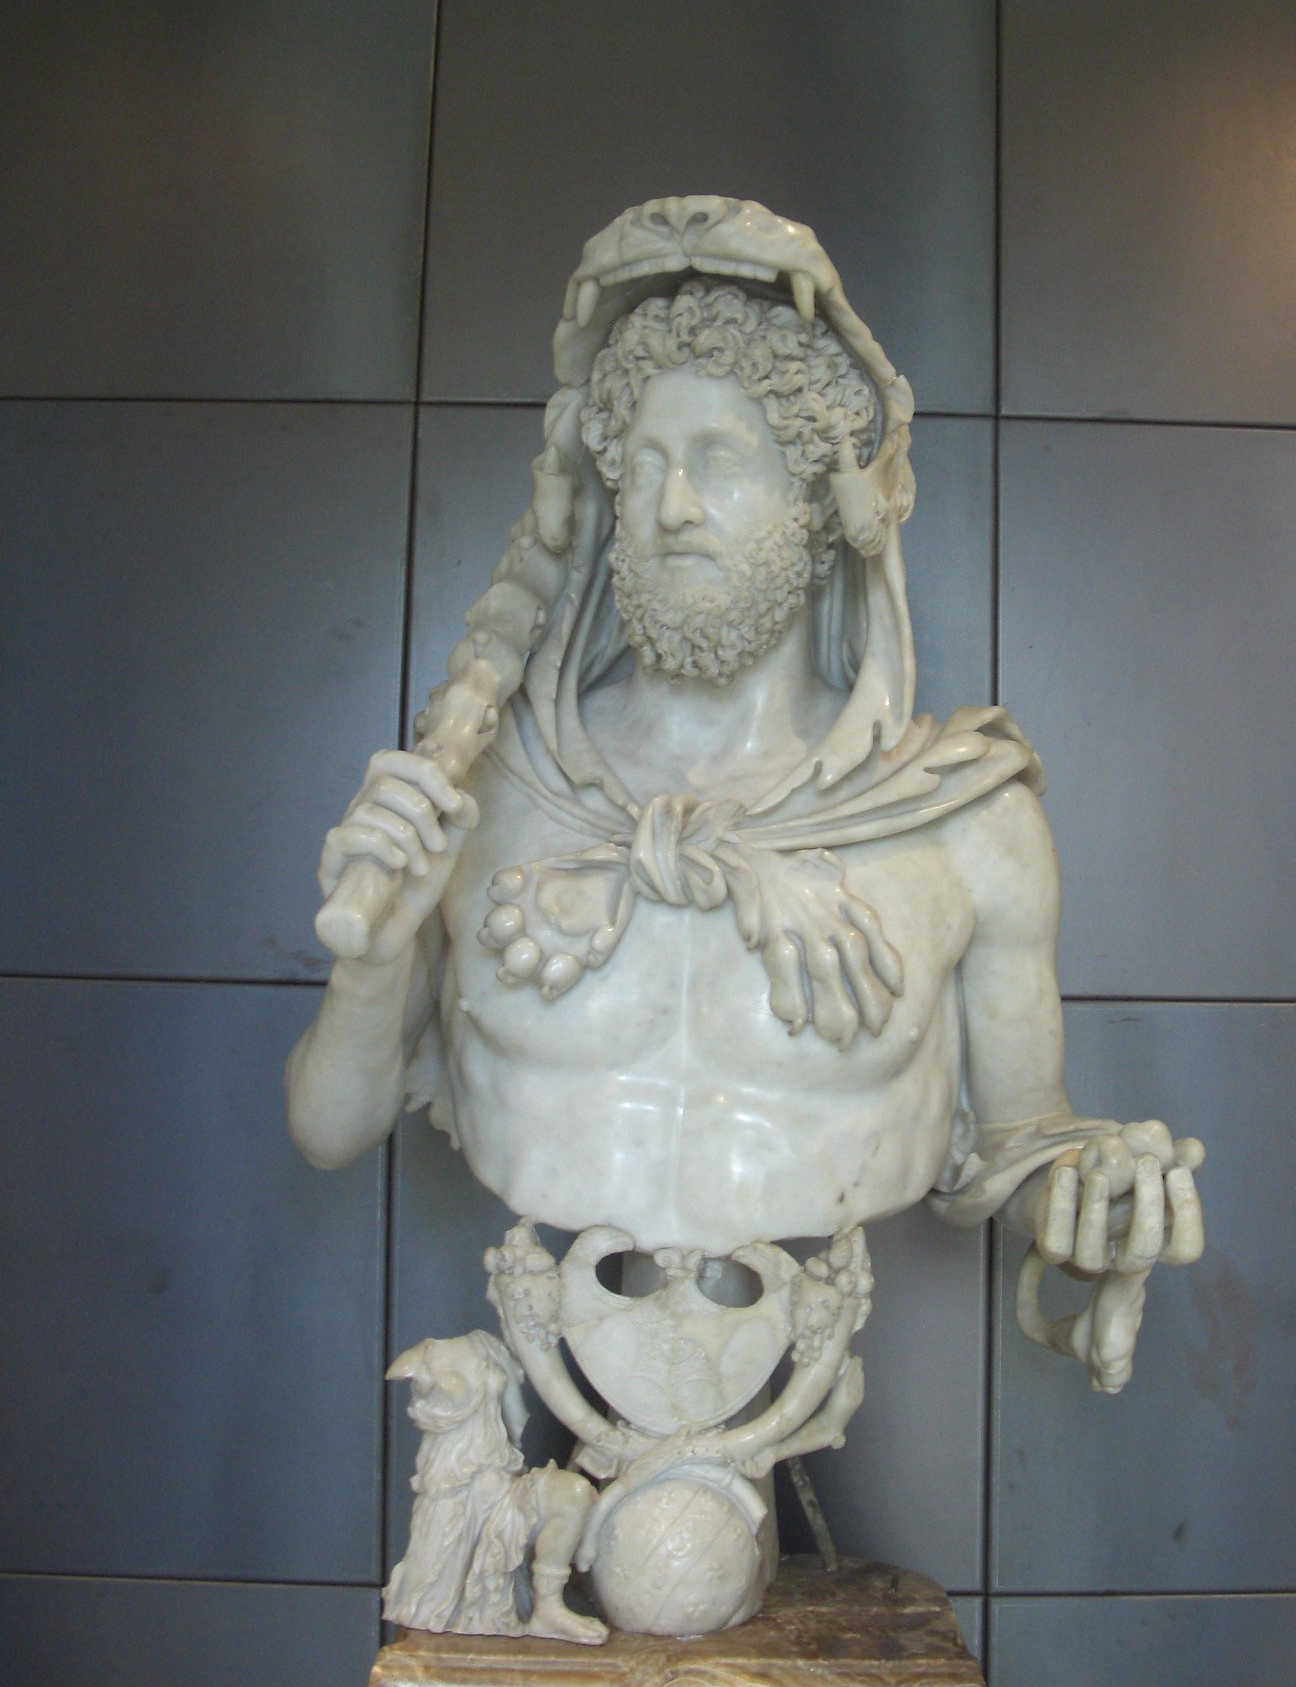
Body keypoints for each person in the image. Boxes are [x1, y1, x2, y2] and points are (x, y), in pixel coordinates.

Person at [286, 197, 1202, 1395]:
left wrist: (1092, 1190)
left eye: (719, 461)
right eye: (646, 465)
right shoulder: (487, 786)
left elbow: (1023, 1140)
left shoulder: (962, 822)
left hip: (801, 1407)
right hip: (534, 1421)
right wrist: (370, 964)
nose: (672, 506)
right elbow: (329, 1125)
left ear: (821, 502)